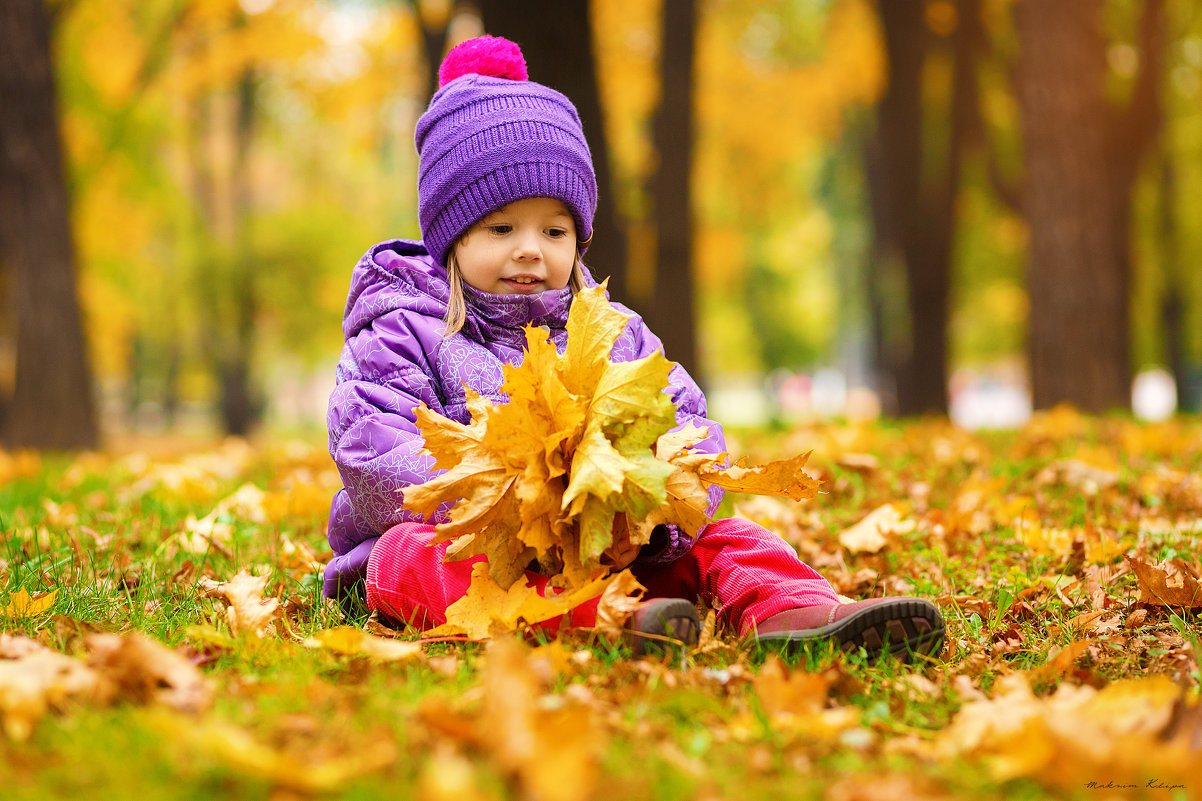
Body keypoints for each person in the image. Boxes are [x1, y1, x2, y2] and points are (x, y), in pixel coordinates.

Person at [323, 35, 945, 661]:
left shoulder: (611, 330)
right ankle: (598, 619)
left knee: (727, 539)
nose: (530, 249)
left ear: (581, 238)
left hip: (609, 546)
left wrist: (649, 501)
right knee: (410, 558)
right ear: (451, 237)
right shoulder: (402, 324)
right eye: (502, 228)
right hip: (470, 545)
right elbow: (372, 448)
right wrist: (509, 506)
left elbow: (687, 425)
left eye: (555, 229)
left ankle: (787, 609)